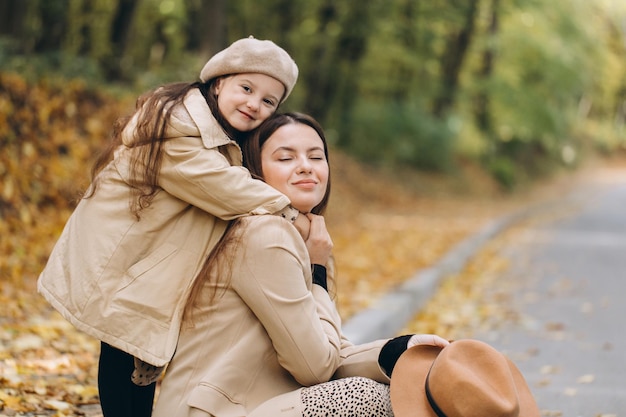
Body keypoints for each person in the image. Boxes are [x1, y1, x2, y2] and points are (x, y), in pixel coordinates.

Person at [37, 37, 301, 417]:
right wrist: (288, 209)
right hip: (124, 259)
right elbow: (219, 185)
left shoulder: (221, 135)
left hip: (149, 260)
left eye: (268, 101)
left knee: (139, 357)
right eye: (246, 88)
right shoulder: (175, 124)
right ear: (218, 83)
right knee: (123, 350)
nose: (253, 104)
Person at [151, 112, 450, 417]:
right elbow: (315, 368)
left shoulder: (304, 238)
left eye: (316, 157)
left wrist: (401, 350)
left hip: (258, 405)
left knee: (411, 389)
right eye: (285, 158)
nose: (305, 166)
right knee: (365, 398)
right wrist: (317, 276)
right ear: (255, 172)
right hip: (213, 411)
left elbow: (328, 351)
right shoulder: (264, 234)